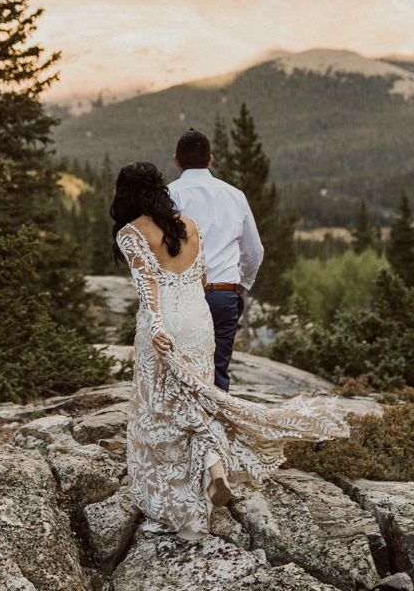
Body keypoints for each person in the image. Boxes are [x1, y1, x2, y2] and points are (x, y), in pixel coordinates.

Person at [111, 161, 348, 541]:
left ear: (126, 194)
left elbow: (147, 286)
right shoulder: (189, 225)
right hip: (198, 321)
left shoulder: (131, 233)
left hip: (164, 327)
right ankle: (213, 467)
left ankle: (175, 506)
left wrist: (157, 326)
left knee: (163, 410)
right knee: (199, 400)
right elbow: (202, 277)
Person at [166, 128, 261, 392]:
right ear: (210, 159)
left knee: (182, 371)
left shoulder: (169, 195)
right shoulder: (235, 195)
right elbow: (254, 251)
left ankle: (188, 429)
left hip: (183, 296)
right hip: (223, 295)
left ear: (176, 160)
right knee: (217, 372)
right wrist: (241, 284)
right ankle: (216, 430)